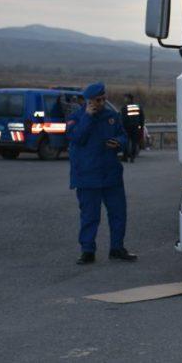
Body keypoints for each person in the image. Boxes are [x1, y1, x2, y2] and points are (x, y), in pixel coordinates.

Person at [67, 82, 138, 265]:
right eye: (98, 100)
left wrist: (119, 143)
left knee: (118, 213)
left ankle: (117, 248)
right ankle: (87, 250)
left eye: (104, 98)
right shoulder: (77, 117)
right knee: (90, 216)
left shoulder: (111, 116)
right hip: (87, 176)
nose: (102, 102)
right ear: (89, 101)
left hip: (110, 174)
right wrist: (88, 118)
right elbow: (76, 138)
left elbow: (123, 135)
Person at [120, 93, 145, 163]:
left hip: (127, 127)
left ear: (129, 99)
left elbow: (123, 119)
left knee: (126, 142)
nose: (124, 99)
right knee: (134, 142)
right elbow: (142, 118)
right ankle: (132, 157)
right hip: (136, 127)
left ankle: (125, 157)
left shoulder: (124, 107)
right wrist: (141, 127)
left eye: (125, 98)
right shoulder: (138, 107)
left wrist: (122, 127)